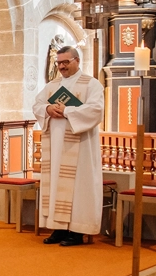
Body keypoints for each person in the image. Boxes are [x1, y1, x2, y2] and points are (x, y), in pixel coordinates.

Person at [31, 46, 105, 246]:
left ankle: (77, 231)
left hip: (80, 147)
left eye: (66, 62)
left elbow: (96, 110)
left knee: (79, 187)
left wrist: (67, 111)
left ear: (77, 61)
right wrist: (48, 108)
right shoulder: (53, 86)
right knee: (56, 184)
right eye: (59, 63)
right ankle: (59, 228)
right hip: (55, 146)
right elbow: (37, 104)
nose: (62, 66)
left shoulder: (91, 84)